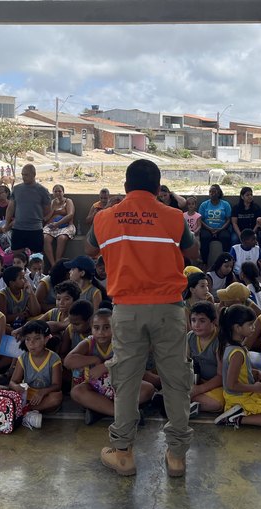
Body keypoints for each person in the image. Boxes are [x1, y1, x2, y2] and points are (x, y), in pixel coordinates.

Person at [86, 159, 197, 478]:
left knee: (126, 382)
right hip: (169, 309)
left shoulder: (106, 217)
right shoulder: (175, 216)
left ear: (125, 187)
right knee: (176, 381)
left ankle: (123, 454)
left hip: (128, 309)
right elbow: (193, 252)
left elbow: (90, 249)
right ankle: (176, 457)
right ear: (158, 187)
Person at [214, 304, 261, 430]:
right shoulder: (237, 353)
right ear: (237, 328)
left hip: (247, 392)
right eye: (250, 325)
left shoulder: (236, 346)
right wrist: (254, 388)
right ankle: (236, 418)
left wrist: (256, 373)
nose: (254, 328)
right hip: (240, 397)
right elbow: (231, 385)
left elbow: (238, 371)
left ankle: (245, 412)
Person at [0, 319, 63, 414]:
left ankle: (22, 410)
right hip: (26, 395)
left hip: (44, 396)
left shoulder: (54, 358)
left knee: (56, 398)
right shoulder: (23, 358)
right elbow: (13, 382)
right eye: (28, 339)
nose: (31, 343)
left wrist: (42, 392)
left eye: (37, 339)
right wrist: (17, 387)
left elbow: (57, 385)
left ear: (46, 339)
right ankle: (29, 410)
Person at [5, 164, 52, 257]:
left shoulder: (42, 190)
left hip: (35, 229)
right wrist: (7, 224)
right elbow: (10, 208)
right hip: (18, 228)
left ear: (34, 174)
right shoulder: (17, 189)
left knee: (37, 257)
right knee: (17, 257)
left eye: (26, 175)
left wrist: (40, 220)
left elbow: (47, 210)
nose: (23, 177)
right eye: (22, 175)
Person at [188, 302, 224, 413]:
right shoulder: (190, 337)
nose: (196, 325)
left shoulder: (220, 341)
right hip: (197, 382)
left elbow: (221, 376)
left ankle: (182, 404)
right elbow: (183, 366)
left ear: (213, 322)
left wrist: (199, 389)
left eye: (202, 321)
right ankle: (188, 404)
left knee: (216, 404)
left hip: (216, 385)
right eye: (193, 320)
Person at [43, 184, 76, 271]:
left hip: (66, 225)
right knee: (45, 238)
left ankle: (58, 261)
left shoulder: (68, 201)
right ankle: (53, 264)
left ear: (63, 192)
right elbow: (47, 217)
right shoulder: (53, 202)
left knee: (61, 238)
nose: (58, 193)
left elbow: (70, 215)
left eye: (59, 191)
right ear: (53, 193)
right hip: (53, 226)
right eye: (55, 191)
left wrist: (57, 224)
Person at [198, 184, 233, 265]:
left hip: (222, 228)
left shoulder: (225, 204)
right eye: (210, 191)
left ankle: (225, 262)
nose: (212, 193)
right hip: (207, 228)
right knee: (204, 238)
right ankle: (205, 263)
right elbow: (200, 220)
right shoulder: (204, 205)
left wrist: (220, 229)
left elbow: (228, 220)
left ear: (219, 193)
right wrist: (210, 229)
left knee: (226, 237)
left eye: (214, 191)